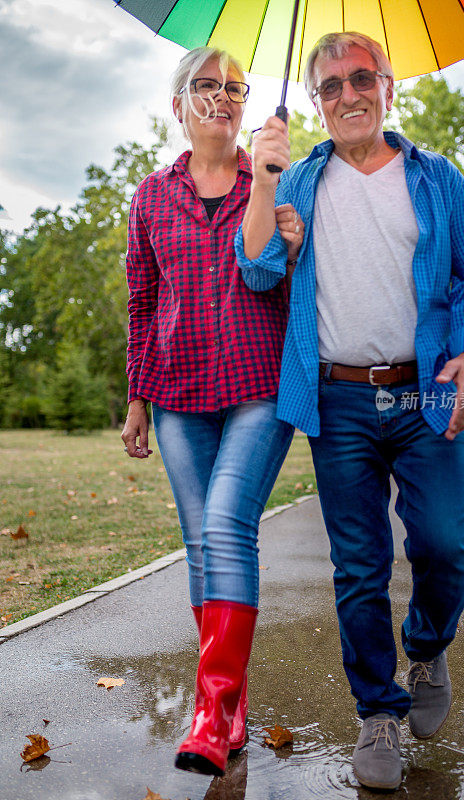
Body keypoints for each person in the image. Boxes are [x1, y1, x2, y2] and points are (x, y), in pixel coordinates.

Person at [236, 31, 464, 792]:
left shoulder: (437, 178)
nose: (346, 95)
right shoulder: (297, 179)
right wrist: (262, 180)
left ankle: (425, 648)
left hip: (423, 389)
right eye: (329, 86)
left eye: (361, 79)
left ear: (389, 88)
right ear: (315, 101)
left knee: (444, 543)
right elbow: (254, 270)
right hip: (337, 395)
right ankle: (375, 711)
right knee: (358, 567)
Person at [121, 46, 303, 777]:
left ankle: (208, 710)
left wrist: (283, 218)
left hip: (258, 384)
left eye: (235, 88)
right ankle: (228, 713)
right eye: (207, 86)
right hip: (176, 396)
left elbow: (288, 286)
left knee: (227, 524)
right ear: (179, 106)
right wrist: (136, 396)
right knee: (202, 542)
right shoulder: (150, 195)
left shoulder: (275, 185)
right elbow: (141, 300)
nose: (223, 98)